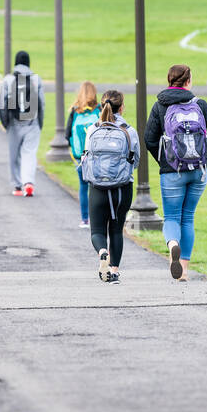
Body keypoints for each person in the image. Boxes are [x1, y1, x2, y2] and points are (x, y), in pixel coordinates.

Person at [143, 64, 207, 282]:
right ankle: (184, 270)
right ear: (188, 81)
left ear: (169, 80)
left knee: (171, 217)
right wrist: (202, 157)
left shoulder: (160, 106)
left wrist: (166, 160)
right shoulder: (200, 105)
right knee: (188, 217)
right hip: (198, 171)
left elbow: (149, 138)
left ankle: (172, 245)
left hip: (171, 171)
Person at [81, 90, 139, 284]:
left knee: (97, 231)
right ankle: (114, 271)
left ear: (101, 106)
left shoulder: (92, 129)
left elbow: (86, 156)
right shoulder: (129, 131)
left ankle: (102, 252)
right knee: (116, 229)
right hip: (122, 188)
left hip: (97, 187)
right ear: (122, 107)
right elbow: (135, 160)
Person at [0, 50, 45, 197]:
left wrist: (6, 124)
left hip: (14, 122)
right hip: (32, 122)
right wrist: (40, 123)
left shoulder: (8, 79)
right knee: (29, 153)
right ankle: (29, 183)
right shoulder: (36, 79)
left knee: (14, 155)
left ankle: (17, 186)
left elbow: (2, 104)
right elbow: (41, 104)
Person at [65, 81, 100, 228]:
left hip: (79, 156)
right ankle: (97, 219)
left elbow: (67, 134)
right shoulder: (99, 109)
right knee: (95, 187)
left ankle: (85, 219)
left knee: (83, 186)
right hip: (96, 155)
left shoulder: (74, 110)